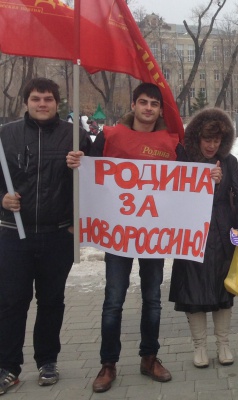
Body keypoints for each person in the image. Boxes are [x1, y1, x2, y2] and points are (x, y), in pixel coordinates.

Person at [66, 83, 186, 393]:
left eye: (154, 104)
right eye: (143, 102)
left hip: (153, 234)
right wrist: (79, 164)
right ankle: (108, 364)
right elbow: (90, 175)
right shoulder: (110, 136)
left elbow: (187, 179)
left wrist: (209, 177)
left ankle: (149, 357)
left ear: (159, 110)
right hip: (118, 234)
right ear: (133, 105)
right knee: (113, 300)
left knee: (153, 299)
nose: (148, 108)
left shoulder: (171, 142)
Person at [0, 78, 91, 394]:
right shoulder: (6, 135)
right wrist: (2, 200)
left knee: (51, 300)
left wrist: (80, 166)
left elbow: (97, 180)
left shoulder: (75, 136)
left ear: (57, 102)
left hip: (57, 234)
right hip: (14, 234)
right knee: (12, 301)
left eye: (48, 99)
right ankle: (8, 366)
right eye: (36, 98)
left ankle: (47, 361)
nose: (42, 104)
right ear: (26, 101)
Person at [169, 107, 238, 368]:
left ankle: (223, 344)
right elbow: (173, 194)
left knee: (223, 290)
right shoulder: (184, 159)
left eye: (217, 140)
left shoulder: (229, 162)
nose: (212, 145)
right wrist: (205, 181)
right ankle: (199, 346)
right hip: (192, 234)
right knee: (193, 291)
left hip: (223, 234)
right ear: (197, 138)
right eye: (207, 140)